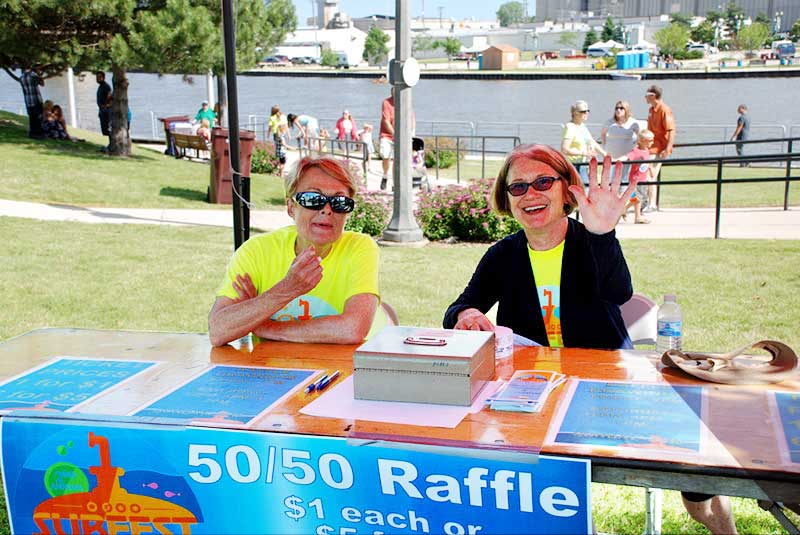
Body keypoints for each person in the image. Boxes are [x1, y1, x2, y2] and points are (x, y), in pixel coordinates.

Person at [442, 144, 636, 350]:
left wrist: (603, 235)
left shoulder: (593, 242)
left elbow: (620, 293)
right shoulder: (502, 255)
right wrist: (466, 313)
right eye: (518, 187)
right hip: (533, 376)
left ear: (567, 189)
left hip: (601, 371)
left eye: (543, 182)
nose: (531, 194)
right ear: (507, 199)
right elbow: (457, 309)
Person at [208, 156, 381, 347]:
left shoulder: (359, 248)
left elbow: (352, 329)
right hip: (269, 372)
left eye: (340, 202)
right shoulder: (256, 251)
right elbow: (218, 330)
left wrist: (263, 325)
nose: (327, 210)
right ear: (291, 207)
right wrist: (287, 289)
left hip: (340, 371)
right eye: (313, 199)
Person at [561, 100, 606, 187]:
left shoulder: (582, 126)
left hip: (583, 165)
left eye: (587, 111)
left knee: (586, 188)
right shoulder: (570, 127)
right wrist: (584, 153)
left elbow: (591, 141)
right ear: (575, 113)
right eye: (583, 111)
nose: (586, 113)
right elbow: (564, 149)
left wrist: (605, 154)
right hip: (574, 166)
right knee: (583, 190)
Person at [645, 85, 676, 212]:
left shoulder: (664, 110)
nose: (645, 97)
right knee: (647, 174)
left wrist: (668, 148)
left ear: (653, 96)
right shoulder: (652, 110)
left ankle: (651, 204)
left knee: (649, 175)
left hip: (659, 148)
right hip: (650, 147)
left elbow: (671, 130)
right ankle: (649, 202)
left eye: (647, 95)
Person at [378, 88, 415, 191]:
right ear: (391, 92)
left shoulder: (406, 102)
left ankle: (396, 184)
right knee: (386, 156)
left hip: (401, 136)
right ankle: (385, 176)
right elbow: (386, 121)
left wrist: (410, 134)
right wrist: (395, 134)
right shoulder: (386, 102)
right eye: (394, 92)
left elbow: (411, 120)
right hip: (387, 135)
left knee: (396, 160)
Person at [622, 129, 656, 224]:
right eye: (649, 140)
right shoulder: (636, 151)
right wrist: (617, 160)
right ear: (641, 141)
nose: (652, 142)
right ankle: (638, 217)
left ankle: (624, 209)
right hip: (635, 180)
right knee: (638, 198)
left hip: (643, 179)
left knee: (639, 198)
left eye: (653, 140)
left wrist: (651, 170)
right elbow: (628, 157)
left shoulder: (647, 151)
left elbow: (647, 163)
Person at [20, 66, 45, 139]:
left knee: (32, 118)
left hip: (28, 100)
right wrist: (40, 75)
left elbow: (24, 91)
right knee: (38, 118)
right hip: (36, 99)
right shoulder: (33, 75)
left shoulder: (21, 77)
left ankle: (32, 133)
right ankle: (39, 134)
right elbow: (42, 84)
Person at [96, 72, 113, 151]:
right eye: (97, 77)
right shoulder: (100, 87)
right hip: (102, 111)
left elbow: (110, 98)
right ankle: (110, 144)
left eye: (99, 77)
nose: (97, 79)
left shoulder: (106, 87)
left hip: (107, 111)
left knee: (109, 128)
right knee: (105, 130)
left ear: (103, 77)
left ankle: (112, 144)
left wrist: (106, 106)